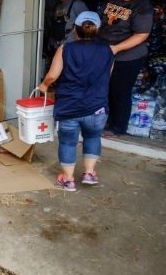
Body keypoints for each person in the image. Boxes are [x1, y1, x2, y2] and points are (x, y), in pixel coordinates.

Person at [39, 11, 115, 191]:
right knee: (93, 136)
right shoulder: (108, 50)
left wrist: (43, 86)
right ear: (97, 29)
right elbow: (107, 76)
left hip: (69, 106)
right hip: (96, 107)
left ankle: (68, 180)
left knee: (67, 142)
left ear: (75, 29)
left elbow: (52, 75)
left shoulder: (66, 49)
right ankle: (89, 173)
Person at [98, 0, 153, 137]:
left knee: (120, 90)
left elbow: (142, 34)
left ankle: (118, 127)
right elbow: (101, 23)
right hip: (105, 53)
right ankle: (105, 120)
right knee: (104, 88)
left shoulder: (142, 7)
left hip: (128, 57)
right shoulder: (112, 1)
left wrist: (116, 48)